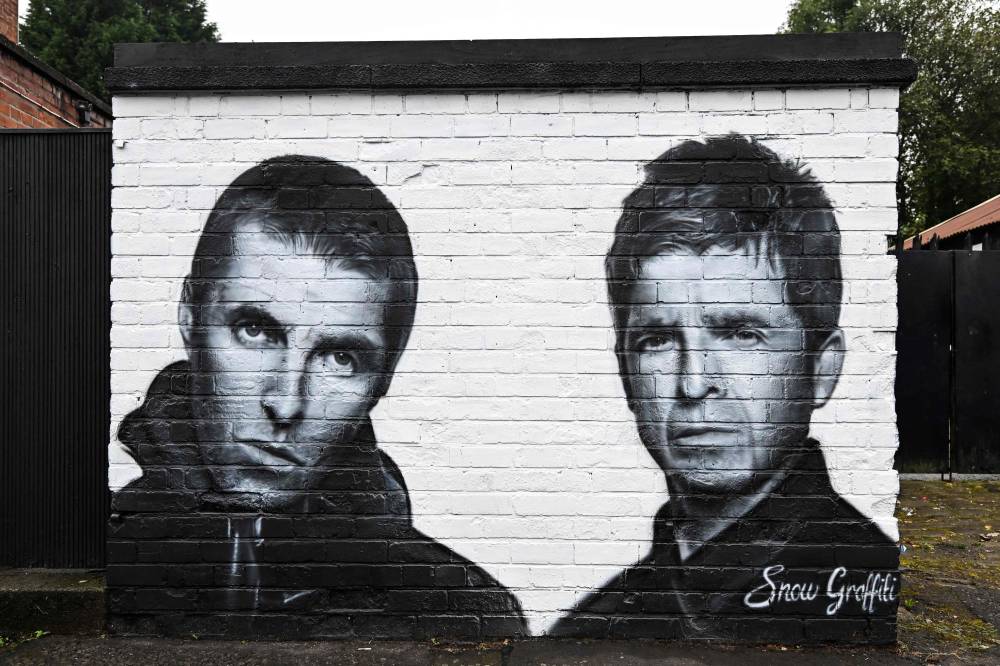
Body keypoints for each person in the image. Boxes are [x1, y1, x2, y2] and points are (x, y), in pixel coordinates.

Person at [108, 156, 525, 639]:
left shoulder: (462, 615)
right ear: (189, 315)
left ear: (383, 380)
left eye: (339, 359)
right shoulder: (98, 571)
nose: (286, 405)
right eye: (255, 330)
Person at [552, 135, 899, 642]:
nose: (694, 382)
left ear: (821, 368)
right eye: (657, 340)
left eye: (742, 334)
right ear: (625, 372)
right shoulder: (587, 629)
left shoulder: (866, 596)